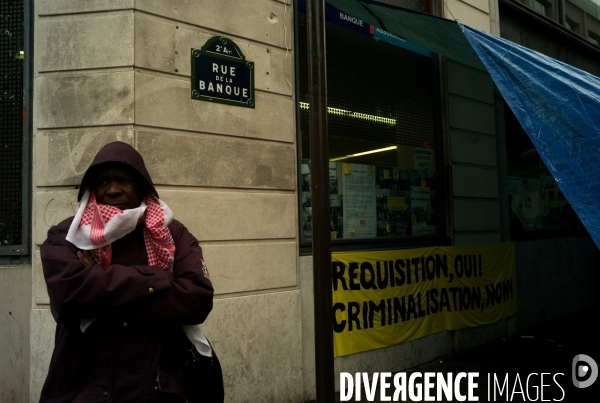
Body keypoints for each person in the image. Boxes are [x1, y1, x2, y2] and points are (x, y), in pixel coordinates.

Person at [39, 141, 214, 402]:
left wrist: (99, 287)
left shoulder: (173, 233)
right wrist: (156, 279)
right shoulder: (67, 235)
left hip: (157, 386)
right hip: (85, 386)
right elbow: (67, 297)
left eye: (123, 180)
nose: (112, 190)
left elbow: (198, 299)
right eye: (102, 182)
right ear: (92, 188)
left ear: (142, 186)